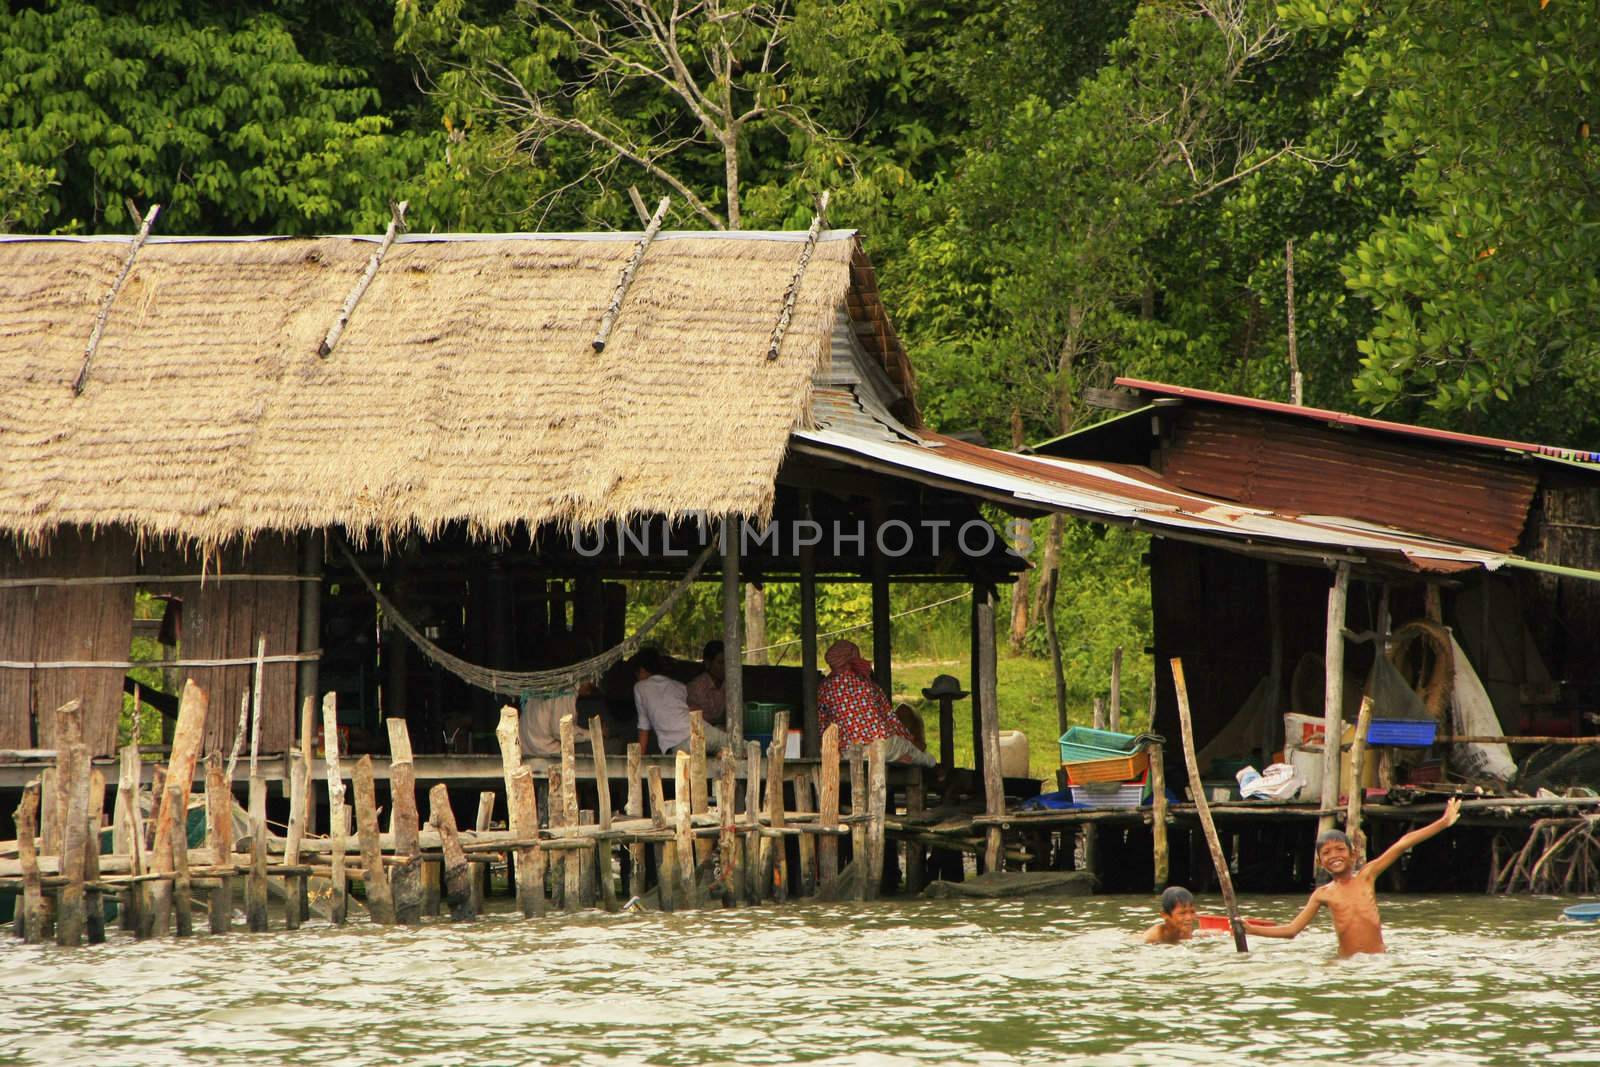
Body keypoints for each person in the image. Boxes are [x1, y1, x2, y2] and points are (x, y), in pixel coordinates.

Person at [1244, 797, 1461, 957]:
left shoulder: (1367, 876)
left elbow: (1403, 843)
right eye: (1326, 853)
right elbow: (1292, 930)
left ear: (1353, 854)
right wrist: (1251, 929)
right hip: (1346, 965)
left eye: (1340, 850)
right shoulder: (1323, 894)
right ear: (1319, 862)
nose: (1334, 856)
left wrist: (1443, 822)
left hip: (1378, 960)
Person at [817, 640, 935, 767]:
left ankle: (896, 758)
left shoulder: (824, 688)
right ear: (854, 656)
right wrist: (909, 740)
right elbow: (890, 719)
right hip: (881, 745)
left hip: (849, 753)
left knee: (888, 752)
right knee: (922, 757)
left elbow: (821, 725)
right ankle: (931, 764)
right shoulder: (867, 683)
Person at [632, 647, 730, 756]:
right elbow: (692, 709)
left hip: (680, 746)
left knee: (687, 768)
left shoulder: (639, 687)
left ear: (642, 670)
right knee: (738, 746)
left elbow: (644, 727)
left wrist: (640, 758)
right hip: (704, 732)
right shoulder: (679, 686)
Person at [685, 640, 726, 726]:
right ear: (708, 663)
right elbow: (695, 727)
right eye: (721, 662)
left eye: (728, 662)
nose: (725, 667)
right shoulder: (696, 688)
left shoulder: (729, 685)